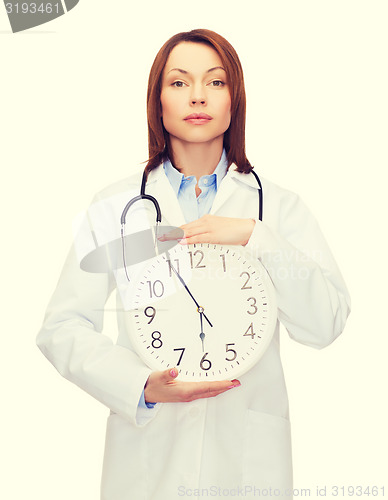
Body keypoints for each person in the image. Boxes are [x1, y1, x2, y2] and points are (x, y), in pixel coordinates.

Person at [37, 29, 351, 500]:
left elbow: (326, 322)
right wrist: (140, 385)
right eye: (180, 83)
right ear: (157, 101)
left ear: (234, 100)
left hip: (247, 460)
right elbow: (61, 327)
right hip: (147, 458)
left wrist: (256, 237)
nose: (198, 96)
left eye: (216, 82)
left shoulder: (277, 209)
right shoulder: (117, 208)